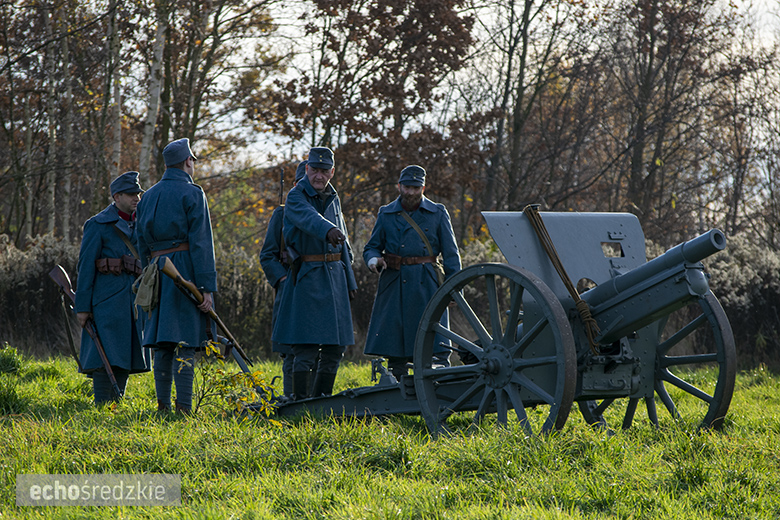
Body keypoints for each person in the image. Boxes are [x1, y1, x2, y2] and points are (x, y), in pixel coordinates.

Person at [135, 138, 217, 414]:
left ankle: (163, 407)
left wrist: (151, 266)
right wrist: (206, 287)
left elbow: (139, 240)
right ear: (187, 162)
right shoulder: (193, 194)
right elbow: (202, 243)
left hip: (156, 272)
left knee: (162, 343)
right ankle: (184, 409)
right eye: (193, 160)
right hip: (184, 270)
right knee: (185, 341)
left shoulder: (147, 196)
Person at [272, 147, 358, 399]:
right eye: (315, 170)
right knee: (305, 348)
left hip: (335, 279)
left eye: (324, 171)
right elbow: (308, 217)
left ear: (332, 172)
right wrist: (328, 230)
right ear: (307, 169)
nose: (319, 176)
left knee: (335, 348)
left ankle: (322, 401)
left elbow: (344, 246)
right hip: (308, 278)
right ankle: (301, 403)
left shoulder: (334, 197)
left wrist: (349, 281)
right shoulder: (296, 196)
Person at [363, 165, 461, 379]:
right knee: (396, 344)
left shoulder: (438, 212)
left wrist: (454, 289)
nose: (410, 192)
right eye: (407, 187)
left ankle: (435, 382)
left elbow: (452, 255)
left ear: (423, 188)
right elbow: (371, 246)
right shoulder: (386, 213)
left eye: (415, 188)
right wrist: (373, 260)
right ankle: (397, 382)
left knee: (433, 340)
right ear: (399, 186)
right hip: (395, 283)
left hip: (427, 282)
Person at [75, 171, 151, 404]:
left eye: (138, 193)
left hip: (134, 301)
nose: (136, 198)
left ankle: (115, 405)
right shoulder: (97, 224)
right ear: (116, 196)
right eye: (130, 194)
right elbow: (85, 268)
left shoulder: (143, 224)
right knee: (103, 354)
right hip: (105, 301)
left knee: (125, 354)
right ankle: (101, 405)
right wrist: (82, 307)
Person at [259, 160, 308, 397]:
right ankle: (292, 400)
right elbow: (267, 256)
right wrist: (283, 280)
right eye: (300, 183)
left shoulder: (324, 213)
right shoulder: (281, 214)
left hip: (316, 289)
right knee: (290, 351)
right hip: (289, 289)